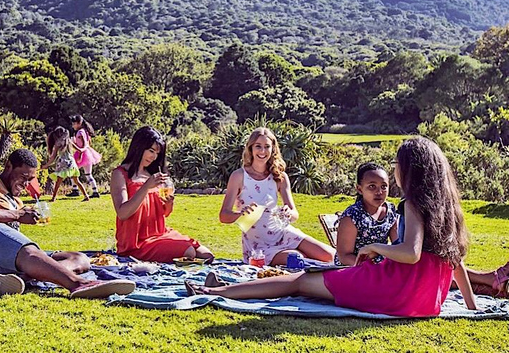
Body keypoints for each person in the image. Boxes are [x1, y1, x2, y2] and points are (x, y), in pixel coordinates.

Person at [187, 137, 478, 317]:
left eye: (397, 164)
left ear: (410, 169)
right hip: (427, 301)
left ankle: (216, 292)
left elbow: (411, 253)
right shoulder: (448, 207)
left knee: (300, 280)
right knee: (316, 275)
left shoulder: (412, 204)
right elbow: (456, 261)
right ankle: (223, 289)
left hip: (396, 293)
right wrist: (471, 306)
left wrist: (374, 247)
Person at [0, 148, 135, 298]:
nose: (26, 184)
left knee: (79, 259)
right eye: (23, 177)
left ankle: (23, 279)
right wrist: (17, 215)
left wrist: (21, 214)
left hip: (5, 260)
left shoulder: (18, 202)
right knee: (9, 238)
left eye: (30, 180)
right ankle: (78, 284)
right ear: (8, 167)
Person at [218, 127, 334, 266]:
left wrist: (288, 213)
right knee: (296, 259)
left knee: (330, 256)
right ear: (250, 148)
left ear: (273, 149)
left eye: (267, 146)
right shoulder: (239, 176)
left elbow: (294, 214)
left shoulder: (280, 176)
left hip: (284, 233)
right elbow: (223, 216)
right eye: (258, 146)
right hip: (258, 246)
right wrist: (240, 214)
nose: (262, 151)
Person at [111, 126, 214, 263]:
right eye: (151, 151)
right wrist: (146, 187)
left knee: (207, 255)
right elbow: (122, 213)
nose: (154, 157)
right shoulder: (120, 174)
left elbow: (164, 213)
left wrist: (169, 204)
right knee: (188, 252)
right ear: (139, 146)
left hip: (160, 233)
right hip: (137, 242)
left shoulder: (151, 174)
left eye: (157, 153)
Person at [334, 163, 398, 266]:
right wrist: (371, 270)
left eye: (384, 186)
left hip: (380, 267)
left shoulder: (390, 211)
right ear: (359, 189)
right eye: (372, 186)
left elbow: (397, 244)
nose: (379, 192)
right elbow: (344, 256)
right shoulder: (352, 216)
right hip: (353, 268)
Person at [42, 126, 89, 202]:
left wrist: (46, 165)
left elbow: (53, 157)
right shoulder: (69, 141)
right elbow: (80, 150)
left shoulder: (58, 144)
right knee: (77, 181)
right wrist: (86, 147)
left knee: (58, 181)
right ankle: (86, 196)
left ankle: (53, 198)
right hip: (71, 163)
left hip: (63, 163)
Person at [71, 114, 103, 198]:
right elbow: (88, 143)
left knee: (73, 171)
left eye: (74, 123)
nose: (73, 125)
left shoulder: (80, 132)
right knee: (88, 174)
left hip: (82, 153)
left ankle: (75, 189)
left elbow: (84, 144)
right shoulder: (85, 131)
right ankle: (95, 190)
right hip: (87, 153)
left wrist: (80, 153)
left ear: (79, 123)